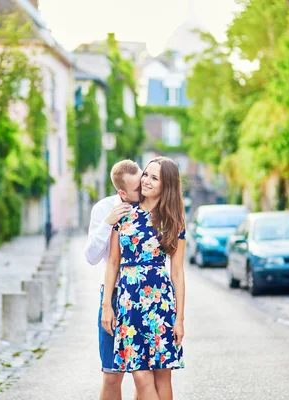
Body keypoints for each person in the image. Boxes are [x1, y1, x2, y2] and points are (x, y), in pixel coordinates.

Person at [101, 156, 186, 400]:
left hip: (160, 303)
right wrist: (107, 305)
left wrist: (179, 318)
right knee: (139, 375)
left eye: (154, 177)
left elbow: (178, 272)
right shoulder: (125, 215)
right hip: (129, 302)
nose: (146, 181)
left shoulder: (173, 221)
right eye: (146, 174)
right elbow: (113, 262)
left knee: (162, 376)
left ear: (166, 185)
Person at [85, 159, 143, 400]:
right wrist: (108, 224)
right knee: (111, 373)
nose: (144, 188)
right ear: (122, 192)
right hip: (115, 294)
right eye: (138, 188)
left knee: (143, 375)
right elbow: (91, 257)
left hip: (144, 296)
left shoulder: (152, 206)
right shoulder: (103, 208)